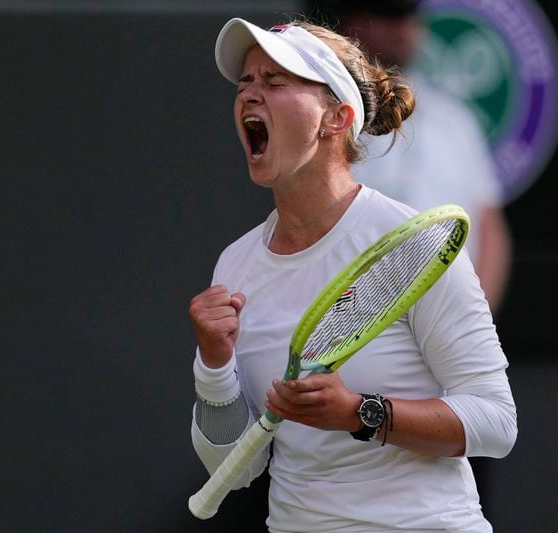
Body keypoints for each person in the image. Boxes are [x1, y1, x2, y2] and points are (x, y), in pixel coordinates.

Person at [189, 16, 517, 532]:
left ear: (335, 119)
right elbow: (236, 467)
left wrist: (359, 413)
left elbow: (496, 422)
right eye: (246, 82)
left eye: (274, 82)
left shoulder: (410, 244)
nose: (251, 94)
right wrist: (212, 365)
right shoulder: (236, 265)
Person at [311, 0, 513, 314]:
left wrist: (474, 316)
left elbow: (489, 226)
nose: (405, 29)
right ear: (352, 22)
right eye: (390, 15)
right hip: (354, 325)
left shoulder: (455, 118)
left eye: (411, 15)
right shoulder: (321, 116)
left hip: (451, 319)